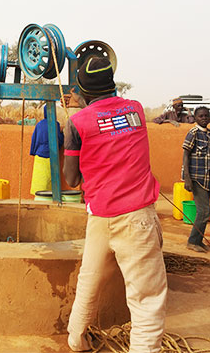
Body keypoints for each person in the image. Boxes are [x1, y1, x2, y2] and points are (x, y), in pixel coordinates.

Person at [62, 57, 167, 353]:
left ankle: (76, 340)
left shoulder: (76, 124)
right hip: (137, 219)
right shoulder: (135, 110)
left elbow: (71, 178)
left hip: (99, 217)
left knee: (89, 281)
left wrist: (75, 115)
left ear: (81, 89)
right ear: (113, 82)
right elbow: (110, 123)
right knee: (146, 300)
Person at [182, 106, 210, 253]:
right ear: (195, 118)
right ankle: (192, 241)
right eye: (201, 116)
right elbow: (185, 155)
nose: (204, 118)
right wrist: (187, 178)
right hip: (196, 177)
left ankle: (198, 241)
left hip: (206, 178)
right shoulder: (193, 133)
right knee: (204, 211)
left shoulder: (209, 135)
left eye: (206, 116)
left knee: (204, 211)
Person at [29, 105, 64, 195]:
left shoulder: (39, 124)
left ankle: (38, 197)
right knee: (49, 181)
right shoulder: (55, 124)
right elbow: (59, 140)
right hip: (51, 156)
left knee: (38, 180)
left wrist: (33, 152)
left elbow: (34, 139)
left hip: (39, 156)